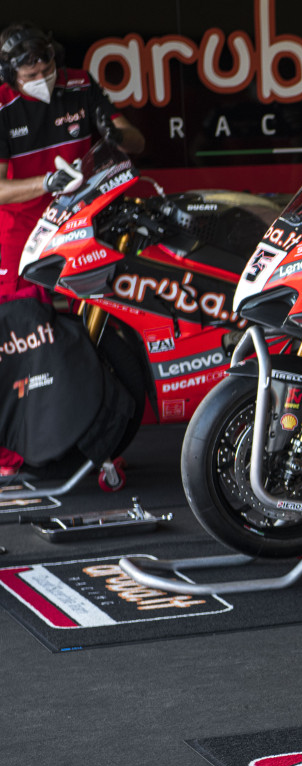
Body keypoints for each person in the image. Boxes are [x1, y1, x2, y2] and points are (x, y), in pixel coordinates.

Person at [0, 23, 144, 477]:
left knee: (96, 330)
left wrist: (116, 135)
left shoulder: (79, 84)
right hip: (21, 230)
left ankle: (92, 440)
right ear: (10, 77)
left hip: (82, 221)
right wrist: (46, 182)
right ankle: (11, 454)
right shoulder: (1, 105)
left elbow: (134, 139)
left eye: (46, 69)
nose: (42, 79)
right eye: (30, 75)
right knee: (21, 335)